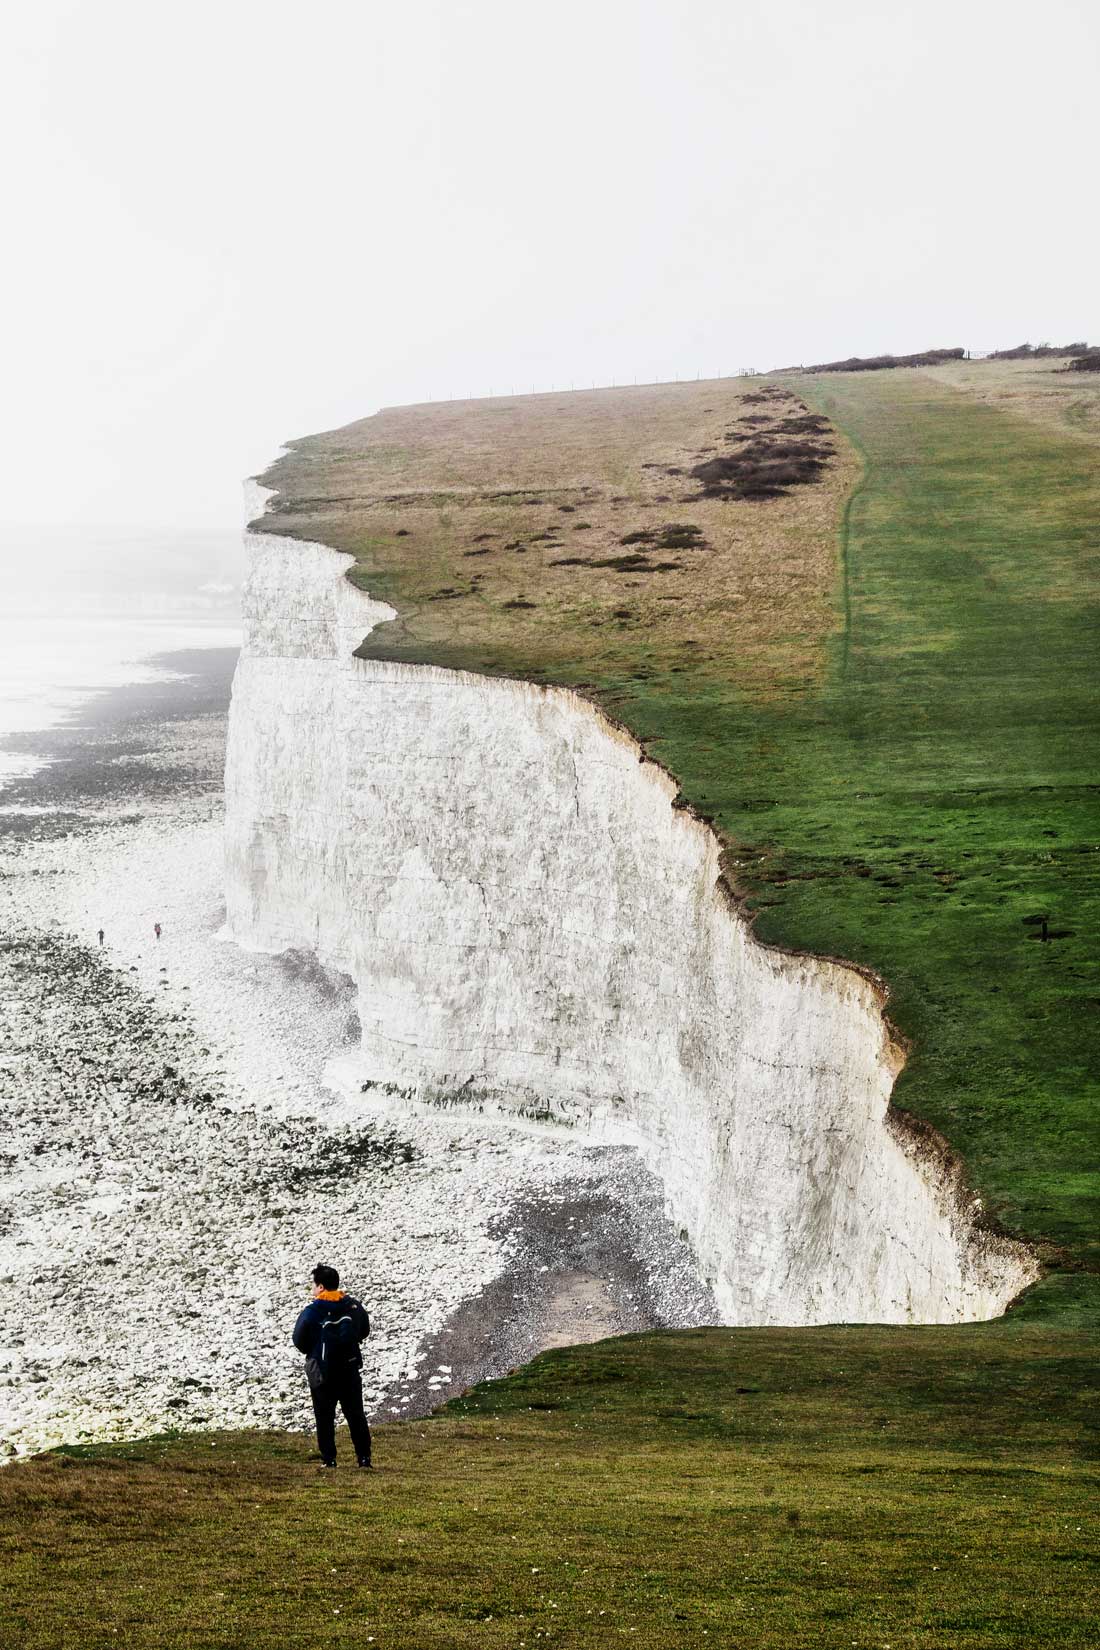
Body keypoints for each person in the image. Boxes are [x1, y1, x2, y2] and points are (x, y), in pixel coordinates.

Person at [292, 1263, 372, 1469]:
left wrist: (314, 1350)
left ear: (320, 1287)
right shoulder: (352, 1306)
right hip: (349, 1369)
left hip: (322, 1371)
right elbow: (364, 1330)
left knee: (324, 1417)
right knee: (356, 1415)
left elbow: (299, 1340)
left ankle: (329, 1459)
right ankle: (364, 1459)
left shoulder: (312, 1311)